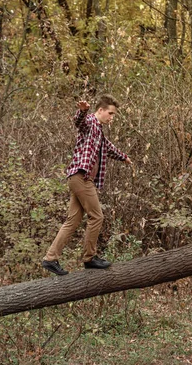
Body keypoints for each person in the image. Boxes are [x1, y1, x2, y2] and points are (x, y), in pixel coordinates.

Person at [42, 94, 132, 276]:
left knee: (73, 220)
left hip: (79, 179)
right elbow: (79, 122)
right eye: (111, 113)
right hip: (81, 178)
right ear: (100, 110)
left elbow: (108, 148)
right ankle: (89, 258)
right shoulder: (90, 122)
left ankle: (50, 258)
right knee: (97, 217)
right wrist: (82, 111)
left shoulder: (99, 131)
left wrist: (125, 158)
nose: (112, 117)